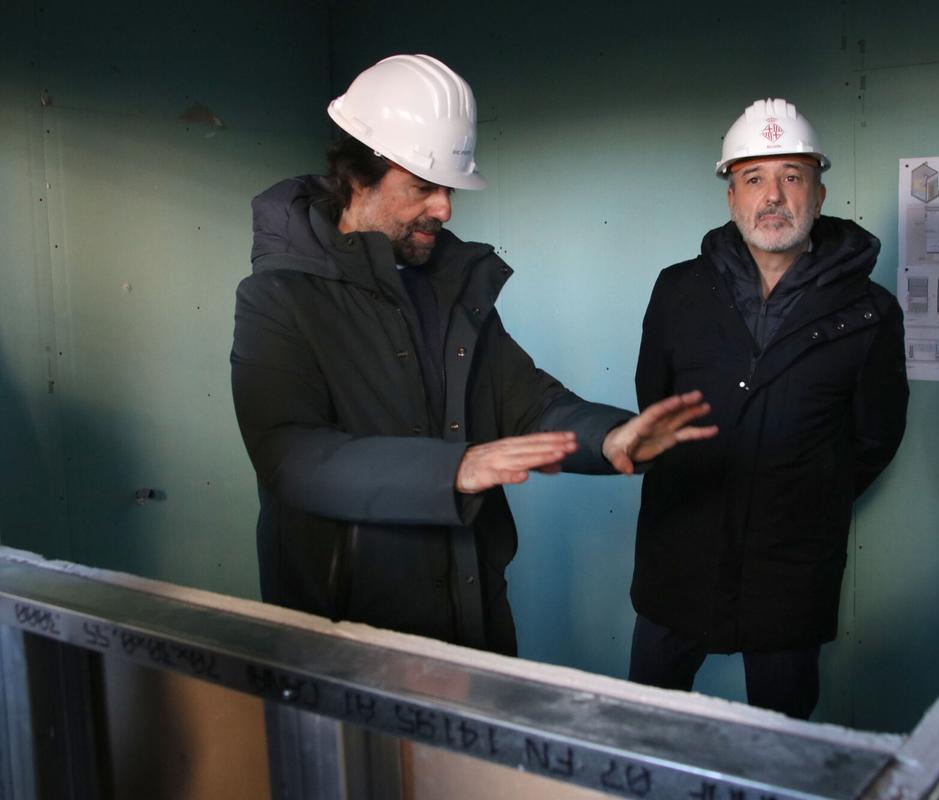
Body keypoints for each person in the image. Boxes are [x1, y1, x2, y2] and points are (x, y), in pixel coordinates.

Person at [230, 54, 715, 656]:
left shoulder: (447, 285)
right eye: (422, 187)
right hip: (345, 634)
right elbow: (288, 456)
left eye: (450, 188)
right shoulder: (279, 295)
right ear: (359, 176)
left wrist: (611, 438)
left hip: (471, 611)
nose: (445, 208)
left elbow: (530, 403)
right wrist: (454, 469)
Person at [628, 98, 908, 718]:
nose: (772, 196)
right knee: (644, 726)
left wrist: (807, 493)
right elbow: (654, 402)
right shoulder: (677, 291)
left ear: (819, 191)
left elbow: (874, 440)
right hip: (679, 552)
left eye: (791, 176)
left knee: (781, 741)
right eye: (753, 178)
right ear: (731, 196)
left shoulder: (871, 312)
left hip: (791, 567)